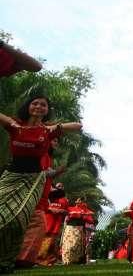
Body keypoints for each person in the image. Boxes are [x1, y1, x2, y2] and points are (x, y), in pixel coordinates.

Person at [0, 95, 81, 273]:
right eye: (35, 103)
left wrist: (54, 127)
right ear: (28, 106)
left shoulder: (48, 131)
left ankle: (6, 260)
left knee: (19, 220)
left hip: (32, 180)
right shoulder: (15, 125)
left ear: (47, 110)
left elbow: (78, 125)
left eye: (43, 105)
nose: (38, 107)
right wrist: (12, 124)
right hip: (10, 177)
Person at [38, 182, 69, 266]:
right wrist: (53, 210)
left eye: (61, 186)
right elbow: (43, 207)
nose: (60, 187)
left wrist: (62, 211)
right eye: (58, 186)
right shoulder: (49, 197)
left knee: (53, 242)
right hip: (46, 222)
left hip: (57, 224)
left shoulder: (65, 200)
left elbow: (67, 212)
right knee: (45, 241)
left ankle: (51, 260)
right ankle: (41, 260)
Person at [61, 198, 94, 265]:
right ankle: (67, 260)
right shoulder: (70, 209)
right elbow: (66, 218)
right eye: (79, 200)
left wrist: (84, 216)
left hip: (80, 229)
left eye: (82, 201)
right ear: (76, 201)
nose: (80, 202)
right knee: (69, 245)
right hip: (70, 229)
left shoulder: (86, 211)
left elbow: (91, 220)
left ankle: (77, 261)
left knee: (77, 245)